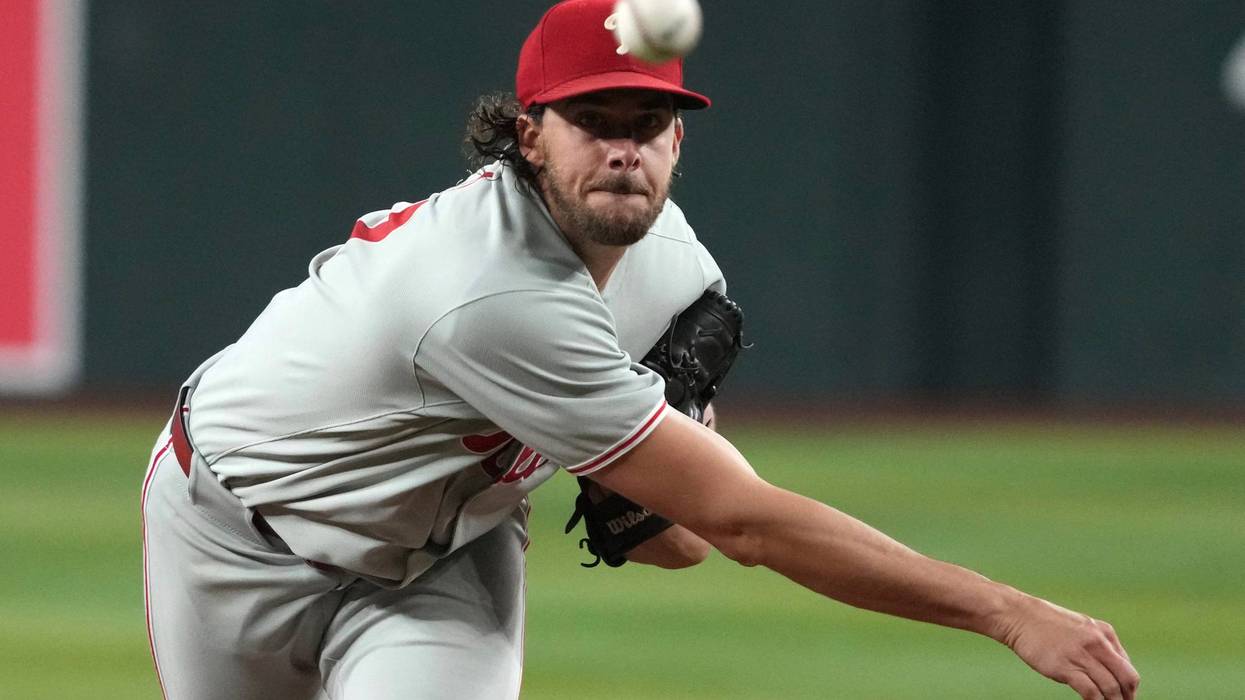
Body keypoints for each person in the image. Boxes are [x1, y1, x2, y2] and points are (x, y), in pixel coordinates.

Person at [140, 1, 1140, 698]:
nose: (622, 147)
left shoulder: (669, 265)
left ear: (677, 142)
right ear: (528, 136)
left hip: (440, 563)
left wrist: (646, 485)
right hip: (235, 536)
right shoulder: (485, 293)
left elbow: (680, 541)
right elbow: (743, 523)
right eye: (592, 121)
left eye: (646, 122)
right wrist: (1009, 611)